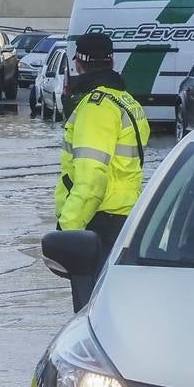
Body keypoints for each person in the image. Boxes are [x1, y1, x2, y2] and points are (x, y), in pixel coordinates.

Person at [54, 31, 151, 312]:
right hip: (124, 219)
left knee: (89, 316)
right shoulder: (127, 101)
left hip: (96, 224)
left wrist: (67, 230)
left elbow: (91, 178)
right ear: (111, 62)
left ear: (78, 64)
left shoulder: (96, 107)